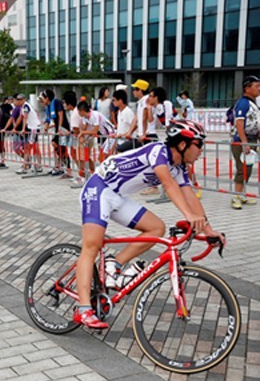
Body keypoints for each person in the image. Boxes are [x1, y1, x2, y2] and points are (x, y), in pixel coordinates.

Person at [73, 119, 224, 329]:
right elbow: (169, 186)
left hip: (117, 195)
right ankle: (83, 309)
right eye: (199, 144)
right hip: (98, 189)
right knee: (92, 245)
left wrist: (208, 230)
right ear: (183, 144)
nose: (201, 151)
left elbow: (190, 196)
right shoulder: (158, 152)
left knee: (157, 228)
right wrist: (189, 216)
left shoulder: (179, 167)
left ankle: (113, 265)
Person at [231, 75, 260, 209]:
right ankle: (235, 196)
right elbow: (239, 123)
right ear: (247, 88)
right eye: (256, 86)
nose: (259, 89)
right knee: (242, 169)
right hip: (242, 140)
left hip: (252, 139)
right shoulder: (243, 103)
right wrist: (244, 142)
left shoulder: (253, 103)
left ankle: (242, 194)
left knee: (247, 169)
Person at [117, 79, 150, 153]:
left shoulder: (146, 100)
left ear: (140, 91)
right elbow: (136, 118)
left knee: (122, 149)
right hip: (140, 136)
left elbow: (145, 118)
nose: (133, 91)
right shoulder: (140, 102)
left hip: (146, 135)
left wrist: (144, 133)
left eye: (135, 89)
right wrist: (129, 132)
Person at [40, 90, 69, 176]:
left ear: (47, 98)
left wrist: (59, 128)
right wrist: (46, 127)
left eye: (43, 99)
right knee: (55, 145)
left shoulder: (57, 102)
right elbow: (48, 119)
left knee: (62, 147)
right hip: (57, 128)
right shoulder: (48, 107)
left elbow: (61, 115)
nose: (42, 102)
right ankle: (59, 165)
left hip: (63, 127)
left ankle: (66, 167)